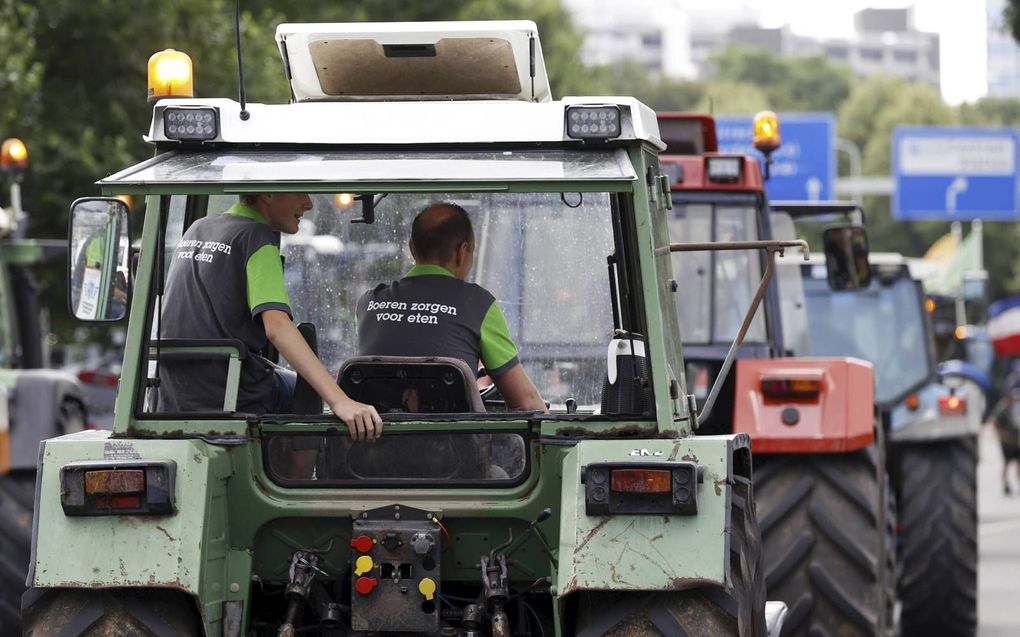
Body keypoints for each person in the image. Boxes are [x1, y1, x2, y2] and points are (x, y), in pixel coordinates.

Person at [158, 193, 383, 440]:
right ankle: (301, 476)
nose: (308, 204)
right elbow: (277, 326)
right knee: (311, 399)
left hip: (174, 392)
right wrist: (341, 401)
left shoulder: (197, 228)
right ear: (267, 194)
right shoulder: (257, 237)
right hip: (229, 393)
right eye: (301, 192)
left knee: (286, 378)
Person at [356, 202, 545, 412]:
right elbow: (526, 403)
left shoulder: (369, 303)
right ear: (462, 251)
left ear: (411, 248)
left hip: (378, 444)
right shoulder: (478, 304)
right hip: (459, 445)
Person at [987, 381, 1020, 495]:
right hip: (1007, 442)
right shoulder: (1002, 409)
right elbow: (994, 423)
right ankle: (1005, 484)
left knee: (1018, 463)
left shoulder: (1016, 407)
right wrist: (1002, 434)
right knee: (1006, 463)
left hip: (1016, 441)